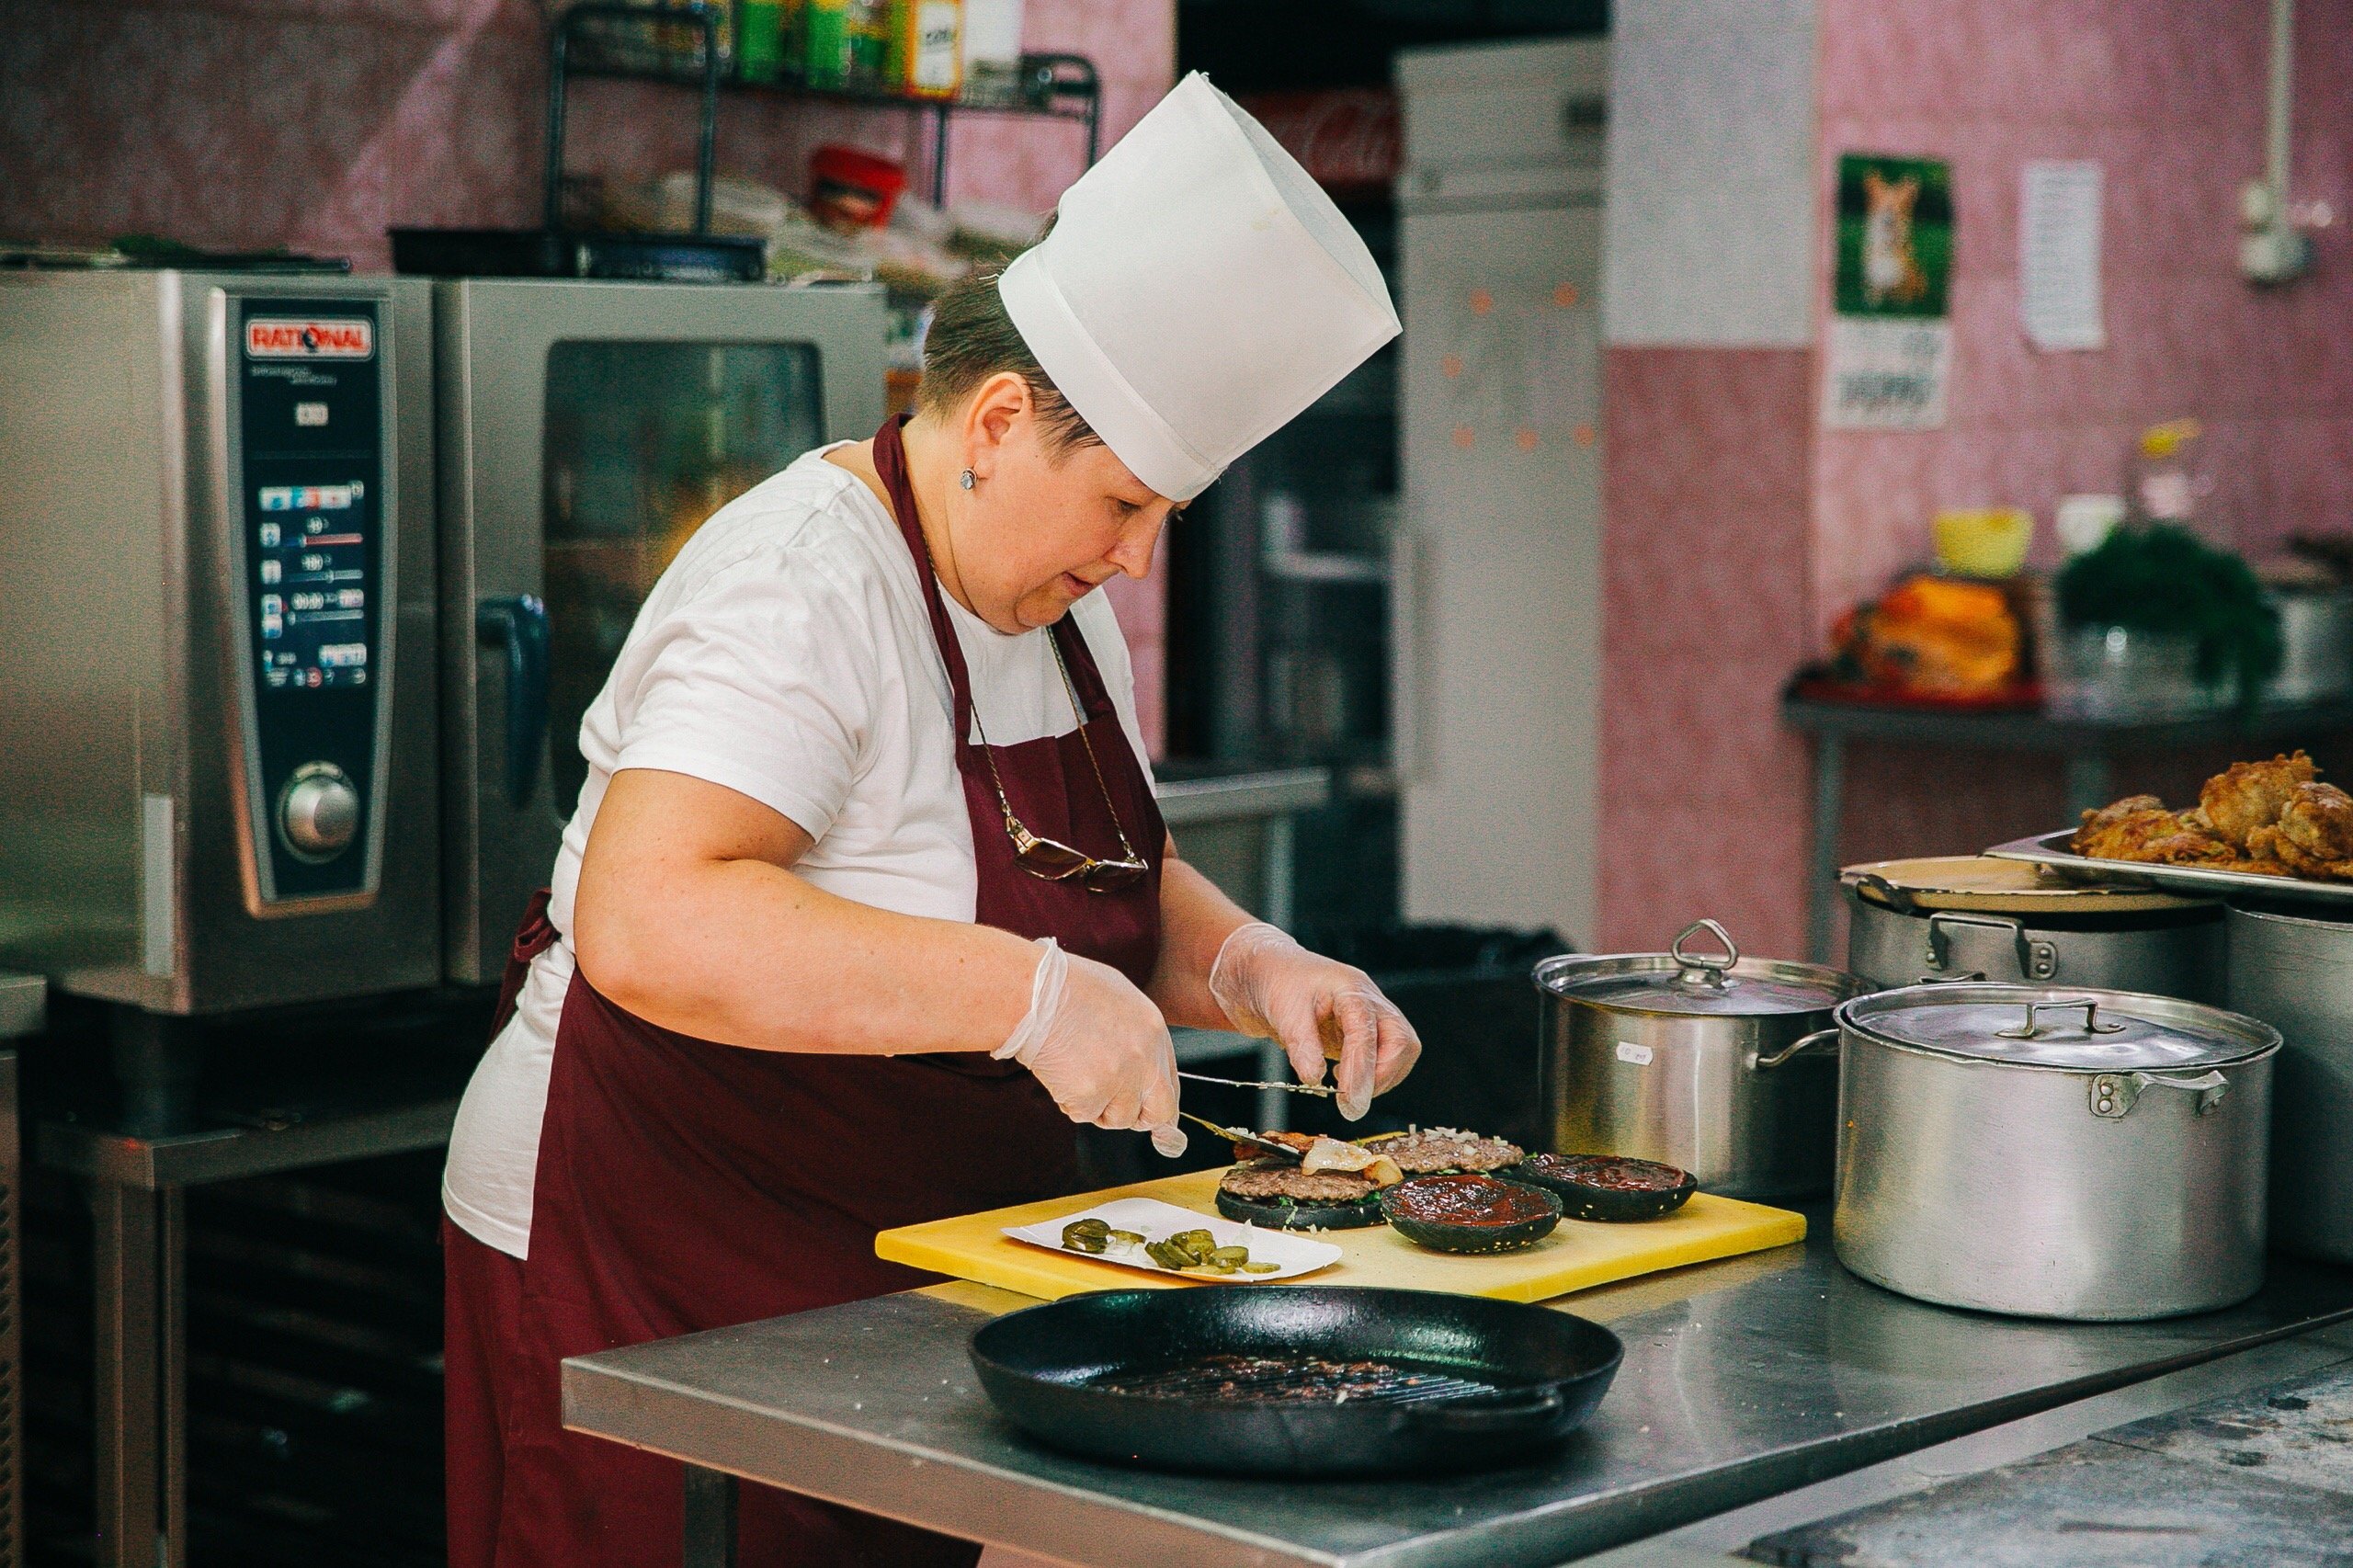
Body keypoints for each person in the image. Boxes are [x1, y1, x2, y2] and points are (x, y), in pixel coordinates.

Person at [438, 73, 1420, 1567]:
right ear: (1003, 420)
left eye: (1166, 518)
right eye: (1128, 505)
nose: (1142, 561)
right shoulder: (801, 580)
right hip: (649, 1249)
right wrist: (1024, 996)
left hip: (888, 1264)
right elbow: (657, 913)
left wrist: (1251, 966)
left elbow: (1112, 875)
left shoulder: (1057, 599)